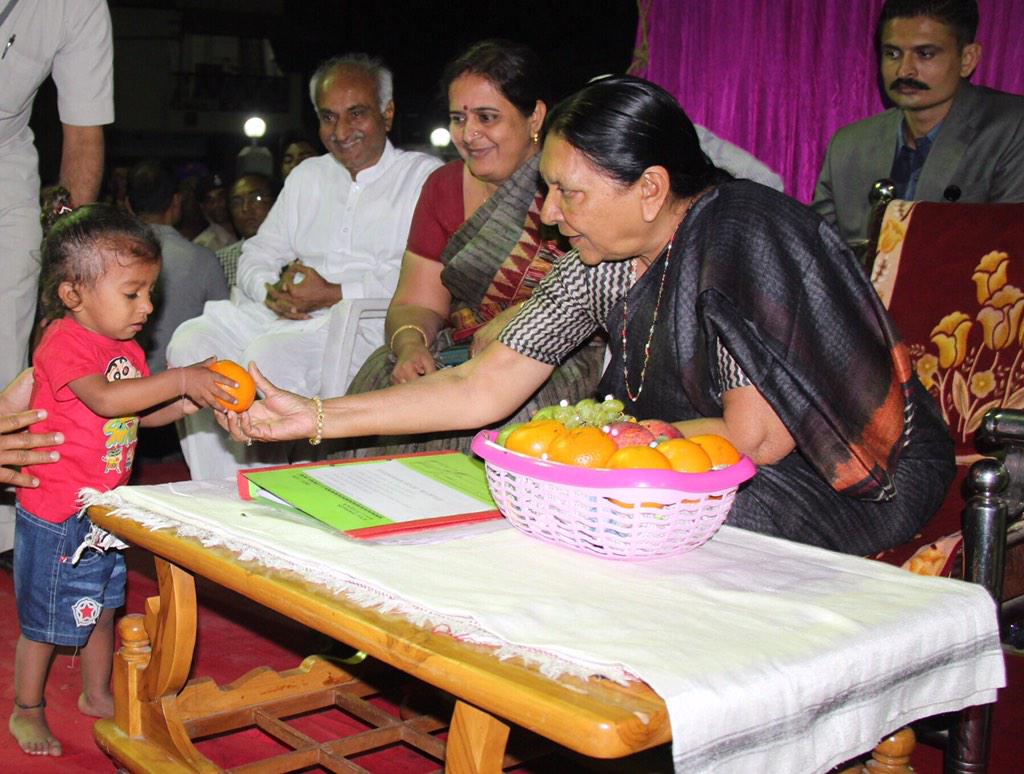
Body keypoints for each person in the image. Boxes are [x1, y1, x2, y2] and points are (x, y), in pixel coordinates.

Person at [224, 75, 955, 559]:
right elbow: (483, 384)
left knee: (607, 513)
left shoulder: (742, 234)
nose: (547, 213)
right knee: (540, 489)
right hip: (694, 462)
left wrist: (576, 447)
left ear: (650, 189)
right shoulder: (605, 257)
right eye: (546, 190)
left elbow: (756, 438)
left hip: (842, 475)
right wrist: (314, 416)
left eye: (567, 192)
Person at [9, 204, 233, 757]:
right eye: (132, 293)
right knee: (44, 621)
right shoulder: (63, 342)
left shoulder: (124, 347)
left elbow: (133, 413)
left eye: (150, 292)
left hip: (104, 509)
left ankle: (96, 692)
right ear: (73, 295)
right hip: (57, 512)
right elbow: (107, 399)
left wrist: (184, 402)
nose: (148, 306)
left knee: (104, 606)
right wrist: (179, 378)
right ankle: (26, 708)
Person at [167, 53, 441, 480]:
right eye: (328, 117)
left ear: (387, 113)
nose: (341, 131)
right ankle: (219, 487)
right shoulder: (308, 176)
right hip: (287, 316)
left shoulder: (422, 177)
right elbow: (258, 253)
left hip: (367, 322)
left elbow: (421, 275)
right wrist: (270, 291)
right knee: (192, 344)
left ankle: (274, 488)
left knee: (267, 357)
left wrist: (333, 292)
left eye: (356, 114)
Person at [341, 39, 604, 457]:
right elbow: (416, 300)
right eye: (458, 118)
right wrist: (411, 345)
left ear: (535, 116)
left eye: (487, 117)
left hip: (556, 351)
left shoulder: (574, 184)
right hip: (460, 346)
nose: (469, 134)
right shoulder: (443, 187)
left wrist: (525, 320)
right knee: (383, 377)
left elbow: (607, 284)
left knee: (506, 419)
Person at [0, 0, 114, 554]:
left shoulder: (79, 6)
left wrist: (66, 282)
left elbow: (83, 137)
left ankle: (6, 526)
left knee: (10, 324)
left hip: (5, 156)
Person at [812, 0, 1024, 246]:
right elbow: (815, 252)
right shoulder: (848, 146)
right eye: (893, 54)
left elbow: (1012, 250)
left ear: (967, 59)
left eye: (925, 54)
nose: (904, 71)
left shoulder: (1011, 128)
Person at [125, 160, 229, 373]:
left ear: (127, 204)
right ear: (177, 201)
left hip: (121, 382)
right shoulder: (203, 260)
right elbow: (226, 327)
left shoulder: (109, 257)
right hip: (185, 383)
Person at [216, 173, 278, 287]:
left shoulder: (297, 255)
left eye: (256, 198)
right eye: (237, 203)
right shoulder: (220, 263)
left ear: (276, 203)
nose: (245, 208)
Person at [192, 173, 237, 251]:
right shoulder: (203, 246)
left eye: (221, 197)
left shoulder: (248, 229)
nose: (217, 204)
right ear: (202, 206)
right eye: (210, 200)